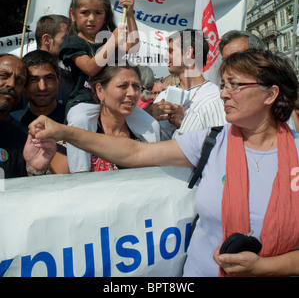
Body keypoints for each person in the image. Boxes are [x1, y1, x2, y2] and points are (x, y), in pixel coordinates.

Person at [30, 49, 299, 277]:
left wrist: (266, 267)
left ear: (270, 94)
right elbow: (134, 153)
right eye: (223, 85)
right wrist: (64, 132)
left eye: (235, 85)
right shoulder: (211, 140)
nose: (223, 95)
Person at [58, 0, 139, 144]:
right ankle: (80, 169)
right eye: (85, 12)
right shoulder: (71, 42)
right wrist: (112, 42)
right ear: (72, 15)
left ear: (106, 15)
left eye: (98, 13)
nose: (91, 18)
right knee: (79, 121)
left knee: (150, 125)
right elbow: (90, 68)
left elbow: (132, 46)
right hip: (84, 101)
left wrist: (129, 13)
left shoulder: (109, 36)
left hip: (114, 102)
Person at [67, 63, 160, 173]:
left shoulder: (145, 133)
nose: (131, 93)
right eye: (122, 86)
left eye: (136, 86)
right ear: (100, 91)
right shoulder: (77, 132)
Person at [148, 29, 225, 139]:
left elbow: (220, 144)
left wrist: (187, 123)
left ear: (189, 53)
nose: (165, 58)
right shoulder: (162, 96)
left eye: (170, 51)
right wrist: (149, 120)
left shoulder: (216, 98)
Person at [11, 50, 69, 174]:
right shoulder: (11, 123)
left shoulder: (74, 120)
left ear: (58, 79)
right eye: (33, 80)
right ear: (24, 83)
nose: (42, 87)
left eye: (49, 78)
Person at [0, 53, 56, 178]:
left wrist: (35, 169)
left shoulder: (25, 139)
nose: (11, 84)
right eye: (3, 76)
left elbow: (34, 192)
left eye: (19, 81)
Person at [35, 14, 73, 105]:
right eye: (66, 38)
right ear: (47, 40)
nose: (72, 43)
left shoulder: (71, 78)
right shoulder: (21, 76)